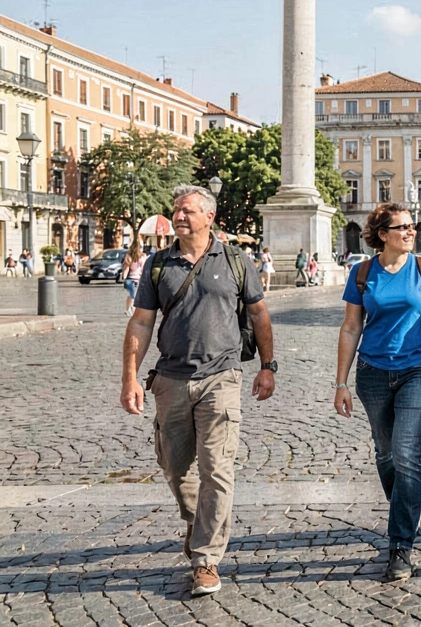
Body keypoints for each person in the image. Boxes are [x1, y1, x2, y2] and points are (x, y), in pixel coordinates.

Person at [121, 184, 275, 598]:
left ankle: (206, 559)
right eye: (176, 211)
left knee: (218, 469)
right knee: (175, 467)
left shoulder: (235, 260)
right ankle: (197, 521)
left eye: (187, 210)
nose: (179, 217)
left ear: (209, 216)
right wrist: (130, 377)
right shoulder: (158, 264)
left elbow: (259, 314)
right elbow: (140, 323)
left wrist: (267, 366)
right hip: (170, 378)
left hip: (221, 377)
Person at [334, 202, 421, 582]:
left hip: (418, 370)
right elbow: (351, 327)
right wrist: (341, 381)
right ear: (382, 234)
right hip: (372, 373)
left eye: (412, 227)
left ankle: (400, 545)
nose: (411, 232)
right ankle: (404, 509)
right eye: (402, 227)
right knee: (385, 454)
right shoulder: (362, 273)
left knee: (406, 454)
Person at [123, 242, 147, 317]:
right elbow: (143, 268)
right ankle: (132, 311)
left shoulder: (128, 257)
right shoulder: (142, 257)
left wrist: (124, 278)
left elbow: (126, 268)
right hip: (138, 278)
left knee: (131, 295)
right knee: (134, 296)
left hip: (129, 279)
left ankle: (128, 310)